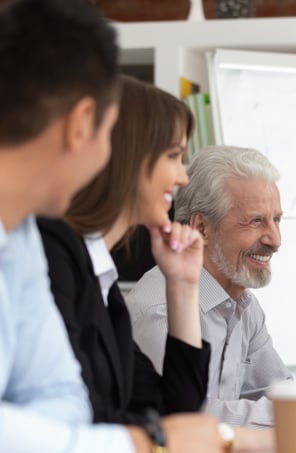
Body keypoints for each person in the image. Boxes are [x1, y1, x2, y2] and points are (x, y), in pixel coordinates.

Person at [0, 0, 222, 453]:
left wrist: (58, 446)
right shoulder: (55, 246)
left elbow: (61, 399)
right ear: (82, 124)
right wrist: (142, 451)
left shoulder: (23, 239)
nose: (183, 176)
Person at [126, 145, 296, 428]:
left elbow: (276, 394)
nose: (275, 239)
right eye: (256, 221)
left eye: (277, 220)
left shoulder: (243, 305)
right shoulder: (161, 310)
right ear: (201, 228)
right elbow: (184, 419)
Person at [36, 75, 209, 425]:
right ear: (128, 156)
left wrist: (183, 285)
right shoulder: (52, 254)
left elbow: (176, 411)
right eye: (173, 156)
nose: (182, 178)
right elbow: (79, 417)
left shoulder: (102, 284)